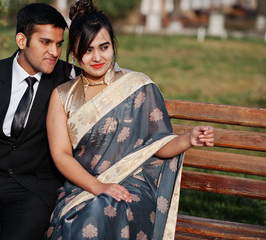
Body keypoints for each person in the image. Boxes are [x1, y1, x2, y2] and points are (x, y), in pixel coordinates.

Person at [45, 0, 214, 239]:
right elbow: (61, 154)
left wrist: (188, 138)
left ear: (113, 46)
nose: (97, 57)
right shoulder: (62, 96)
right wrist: (98, 187)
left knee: (108, 207)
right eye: (87, 50)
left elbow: (158, 144)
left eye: (104, 47)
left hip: (133, 186)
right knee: (90, 211)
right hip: (84, 186)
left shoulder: (137, 86)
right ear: (73, 52)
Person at [0, 3, 80, 240]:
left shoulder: (69, 79)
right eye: (46, 42)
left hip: (34, 188)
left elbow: (107, 76)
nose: (55, 52)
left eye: (59, 44)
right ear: (22, 40)